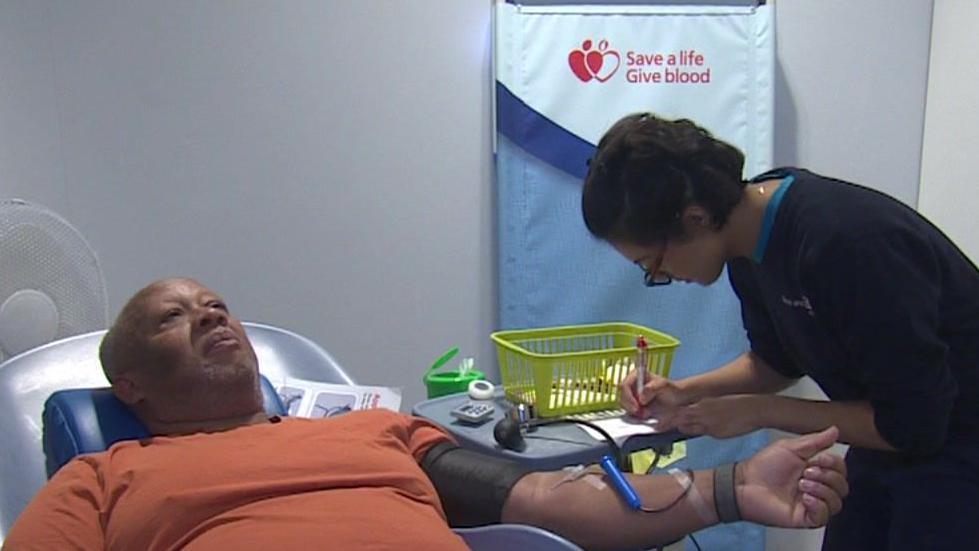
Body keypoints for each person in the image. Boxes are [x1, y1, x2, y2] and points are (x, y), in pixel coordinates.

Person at [4, 278, 848, 550]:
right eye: (174, 316)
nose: (212, 314)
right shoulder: (105, 476)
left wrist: (732, 486)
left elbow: (544, 501)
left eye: (217, 303)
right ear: (132, 386)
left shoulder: (368, 430)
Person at [581, 113, 979, 550]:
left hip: (956, 447)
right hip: (891, 446)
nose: (664, 276)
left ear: (695, 218)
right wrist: (685, 391)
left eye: (652, 264)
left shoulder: (845, 242)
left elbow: (914, 423)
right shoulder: (746, 247)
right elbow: (776, 360)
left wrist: (759, 411)